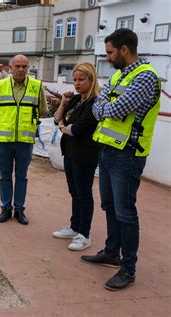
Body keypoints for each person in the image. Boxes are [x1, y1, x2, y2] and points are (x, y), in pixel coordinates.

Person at [81, 28, 161, 291]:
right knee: (109, 206)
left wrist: (104, 108)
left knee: (126, 212)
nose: (108, 57)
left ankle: (128, 268)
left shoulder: (145, 77)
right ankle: (112, 251)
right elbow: (98, 104)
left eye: (110, 52)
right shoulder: (118, 75)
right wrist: (104, 108)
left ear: (124, 49)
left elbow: (116, 108)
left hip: (127, 154)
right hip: (108, 149)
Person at [0, 54, 48, 225]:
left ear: (28, 68)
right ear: (10, 67)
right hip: (4, 141)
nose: (21, 69)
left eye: (24, 66)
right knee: (5, 176)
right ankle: (5, 208)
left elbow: (42, 110)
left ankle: (19, 210)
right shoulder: (1, 86)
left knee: (22, 177)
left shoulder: (37, 87)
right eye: (17, 66)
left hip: (25, 141)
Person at [52, 62, 100, 251]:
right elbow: (56, 118)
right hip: (70, 152)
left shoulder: (94, 102)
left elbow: (78, 128)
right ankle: (74, 226)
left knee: (84, 194)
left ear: (91, 79)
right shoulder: (76, 100)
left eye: (82, 79)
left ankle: (84, 234)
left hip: (85, 154)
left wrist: (64, 128)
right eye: (75, 80)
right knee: (74, 192)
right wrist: (63, 103)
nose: (77, 83)